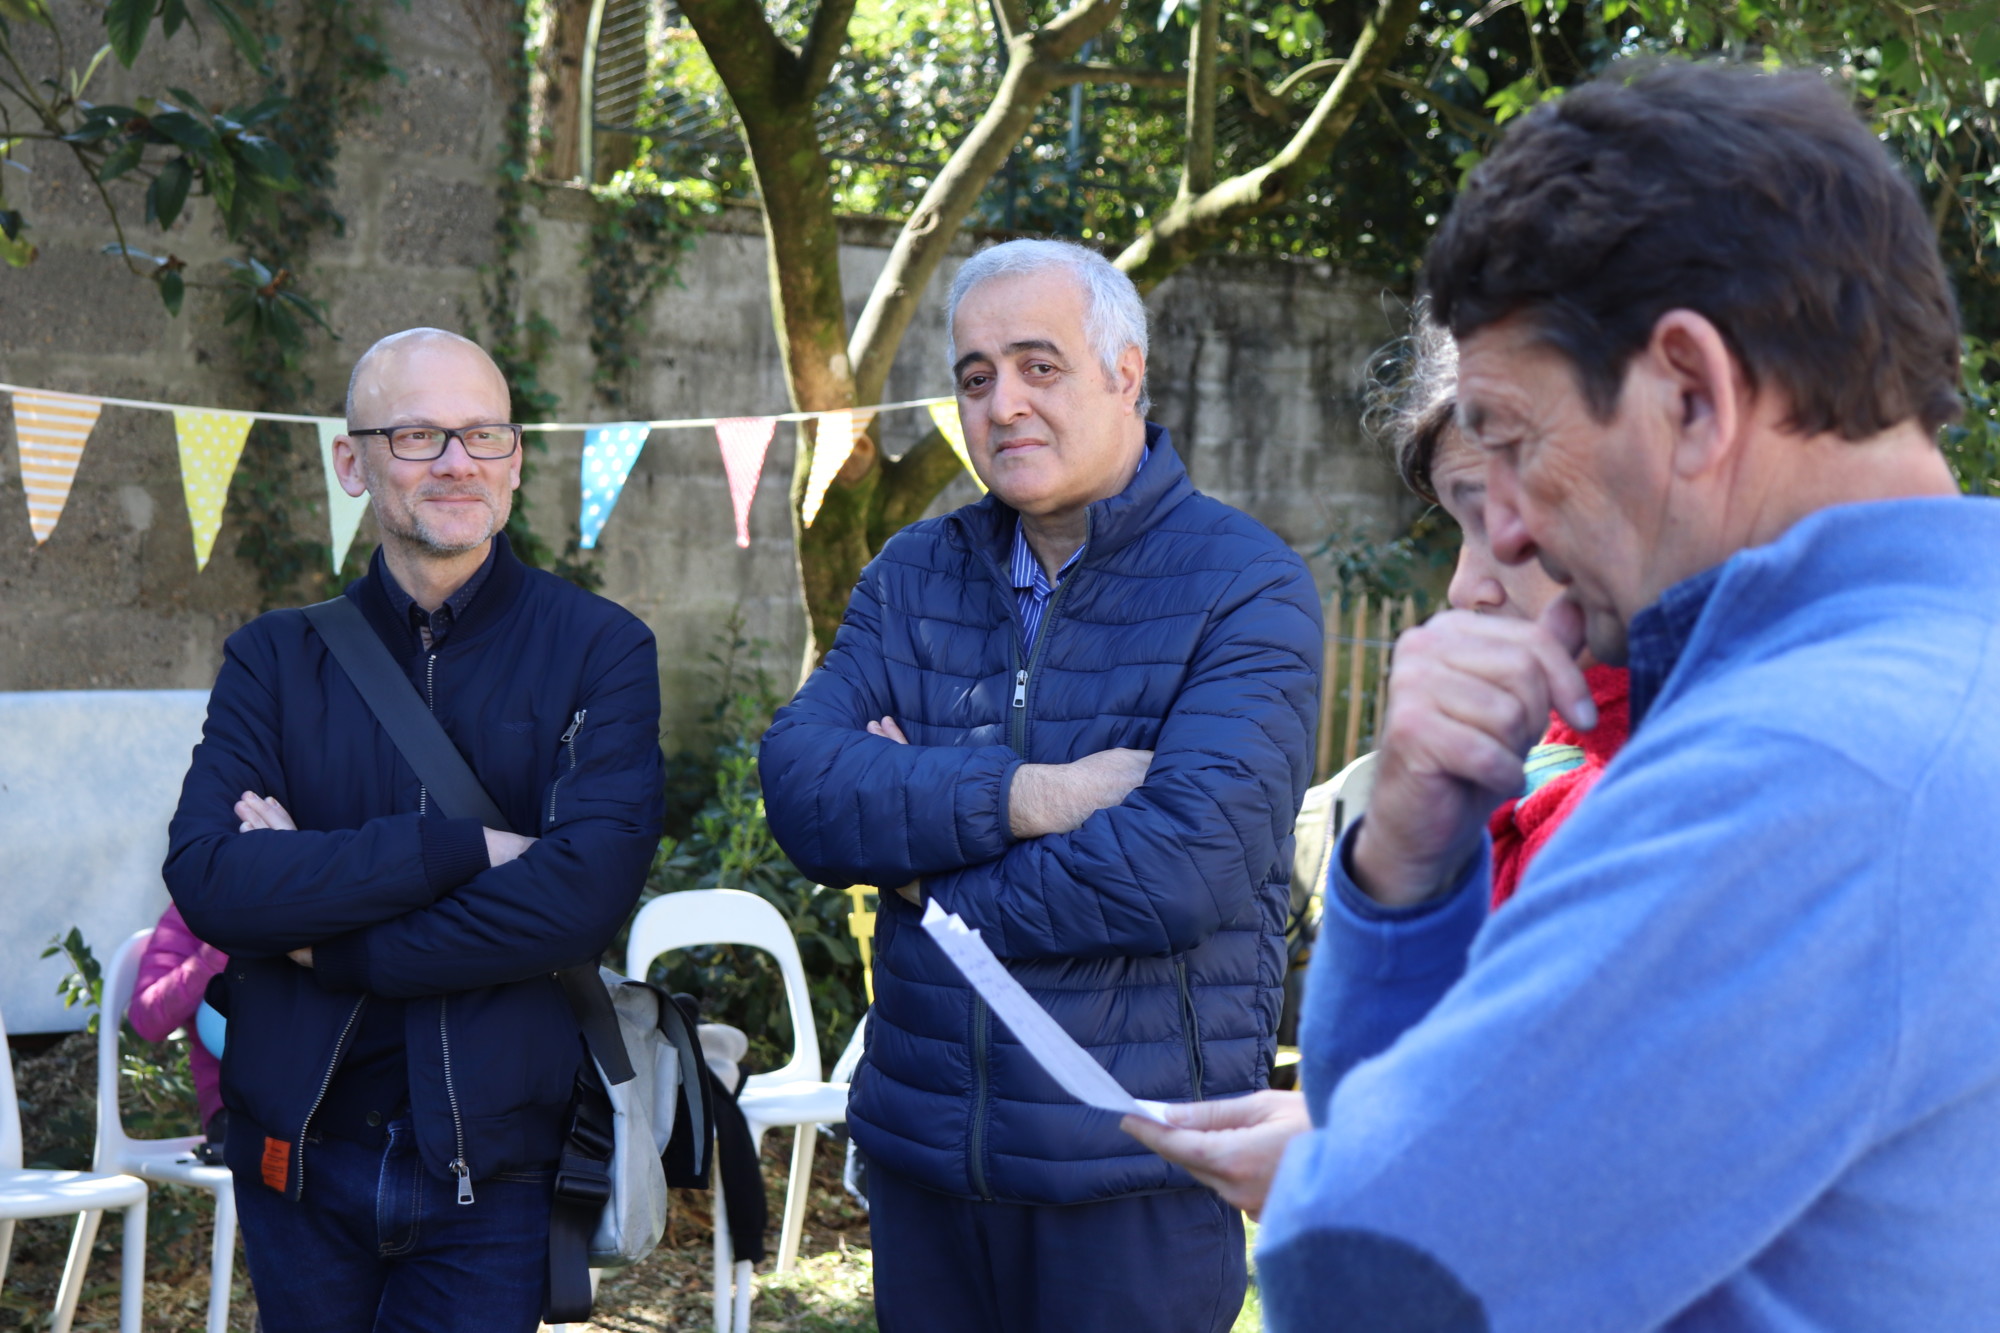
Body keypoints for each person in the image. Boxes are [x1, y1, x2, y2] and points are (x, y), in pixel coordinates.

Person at [1124, 60, 2000, 1329]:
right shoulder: (1939, 678)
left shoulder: (1794, 768)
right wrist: (1408, 870)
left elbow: (1380, 1272)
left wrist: (1327, 1171)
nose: (1510, 537)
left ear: (1690, 394)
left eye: (1516, 445)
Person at [759, 238, 1322, 1333]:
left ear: (1125, 371)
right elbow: (804, 787)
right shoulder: (912, 575)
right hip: (928, 1169)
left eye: (1038, 366)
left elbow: (1176, 869)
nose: (1002, 403)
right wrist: (1035, 796)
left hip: (1128, 1175)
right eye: (975, 377)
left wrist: (924, 879)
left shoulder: (1244, 585)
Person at [164, 327, 665, 1332]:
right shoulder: (273, 658)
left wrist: (328, 938)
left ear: (515, 459)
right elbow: (212, 878)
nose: (456, 462)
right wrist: (460, 850)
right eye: (417, 435)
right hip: (297, 1154)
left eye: (483, 434)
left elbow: (576, 902)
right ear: (352, 463)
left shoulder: (600, 649)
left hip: (496, 1163)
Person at [1375, 314, 1631, 913]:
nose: (1465, 589)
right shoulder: (1557, 747)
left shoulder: (1622, 822)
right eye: (1465, 527)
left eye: (1508, 520)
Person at [126, 903, 229, 1156]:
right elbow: (146, 1019)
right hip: (235, 1110)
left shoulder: (314, 898)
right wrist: (214, 956)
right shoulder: (192, 908)